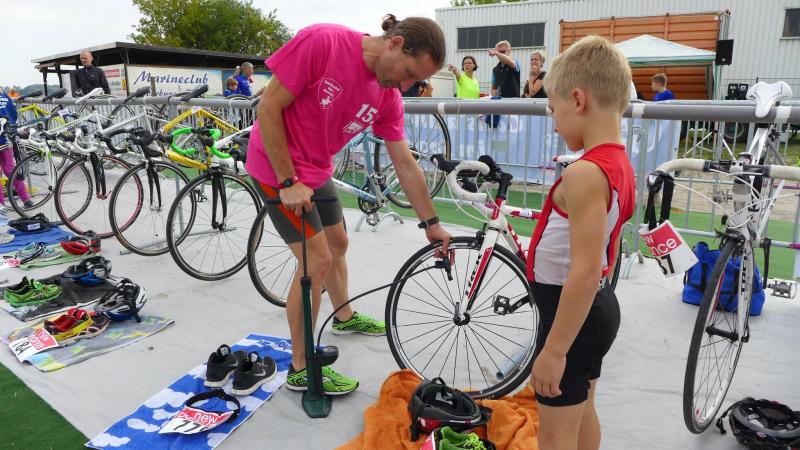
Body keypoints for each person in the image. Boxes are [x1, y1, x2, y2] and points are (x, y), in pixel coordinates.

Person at [246, 14, 452, 395]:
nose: (406, 86)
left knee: (339, 244)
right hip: (277, 168)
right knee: (316, 260)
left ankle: (343, 316)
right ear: (395, 43)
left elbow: (404, 162)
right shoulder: (324, 42)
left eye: (416, 82)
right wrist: (288, 181)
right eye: (409, 73)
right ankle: (301, 366)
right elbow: (268, 107)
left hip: (316, 168)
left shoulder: (388, 96)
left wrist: (432, 223)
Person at [526, 35, 635, 450]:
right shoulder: (619, 163)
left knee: (555, 435)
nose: (553, 122)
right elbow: (606, 250)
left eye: (552, 109)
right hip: (594, 310)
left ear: (578, 99)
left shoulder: (585, 172)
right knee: (584, 408)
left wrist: (554, 351)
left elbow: (585, 271)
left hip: (572, 314)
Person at [0, 89, 34, 210]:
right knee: (10, 170)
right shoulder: (5, 96)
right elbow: (13, 115)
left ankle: (1, 205)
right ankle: (26, 198)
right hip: (7, 137)